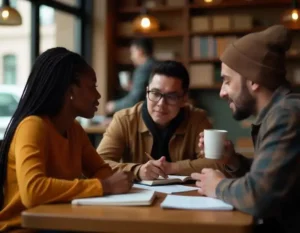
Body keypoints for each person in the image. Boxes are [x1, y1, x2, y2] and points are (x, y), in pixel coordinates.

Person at [0, 47, 133, 232]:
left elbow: (101, 169)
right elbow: (33, 191)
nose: (98, 96)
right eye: (92, 86)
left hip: (60, 221)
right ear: (70, 90)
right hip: (23, 228)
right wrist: (104, 186)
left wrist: (107, 183)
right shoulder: (33, 126)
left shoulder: (74, 129)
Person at [191, 25, 300, 233]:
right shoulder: (280, 111)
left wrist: (217, 186)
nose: (222, 92)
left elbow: (260, 196)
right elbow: (274, 178)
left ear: (253, 81)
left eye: (227, 80)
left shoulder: (286, 115)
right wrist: (232, 161)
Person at [98, 60, 230, 181]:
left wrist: (172, 168)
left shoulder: (197, 119)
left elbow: (215, 163)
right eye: (155, 93)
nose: (161, 103)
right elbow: (99, 164)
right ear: (147, 92)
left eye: (171, 96)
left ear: (184, 98)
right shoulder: (124, 120)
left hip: (186, 197)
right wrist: (138, 170)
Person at [105, 37, 157, 114]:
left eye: (132, 52)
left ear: (140, 51)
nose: (131, 57)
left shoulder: (143, 69)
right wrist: (133, 87)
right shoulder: (156, 65)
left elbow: (134, 100)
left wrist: (113, 106)